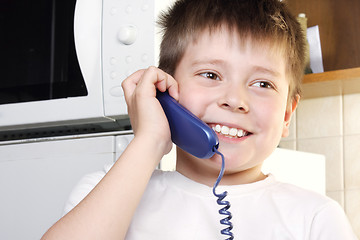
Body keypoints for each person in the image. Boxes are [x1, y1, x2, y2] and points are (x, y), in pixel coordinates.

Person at [42, 0, 358, 239]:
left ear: (287, 113)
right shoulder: (108, 190)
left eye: (263, 84)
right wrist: (149, 142)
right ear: (166, 91)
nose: (235, 100)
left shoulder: (316, 218)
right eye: (210, 74)